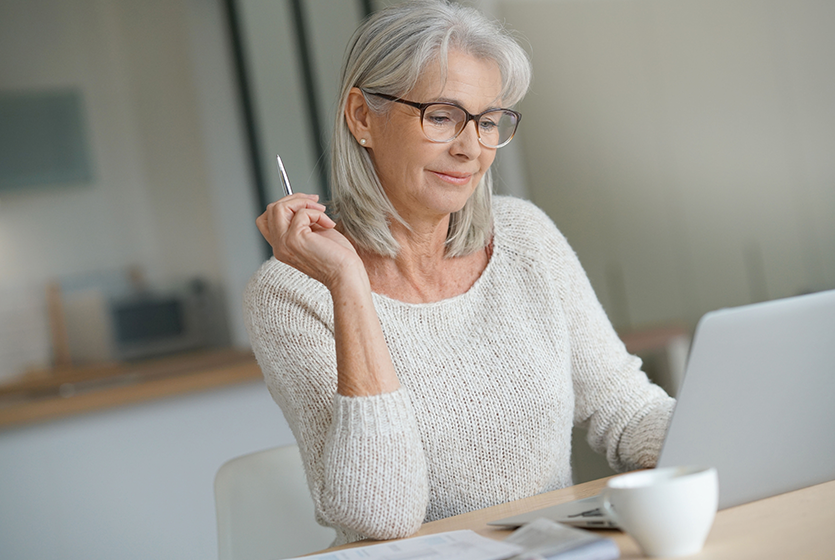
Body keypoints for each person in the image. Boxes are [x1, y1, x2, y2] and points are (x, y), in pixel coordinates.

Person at [244, 0, 674, 547]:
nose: (471, 148)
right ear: (361, 118)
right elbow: (380, 514)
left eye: (488, 121)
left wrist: (727, 435)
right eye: (442, 116)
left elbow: (626, 410)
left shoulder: (525, 236)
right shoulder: (290, 294)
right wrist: (348, 285)